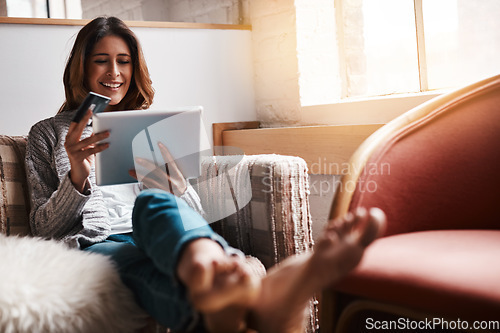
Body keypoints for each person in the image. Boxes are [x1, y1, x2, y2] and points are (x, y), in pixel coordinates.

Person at [24, 16, 386, 333]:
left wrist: (176, 187)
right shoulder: (48, 134)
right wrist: (77, 177)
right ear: (81, 67)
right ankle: (244, 302)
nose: (115, 73)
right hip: (100, 243)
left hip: (163, 232)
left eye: (124, 61)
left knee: (153, 201)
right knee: (139, 274)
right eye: (101, 61)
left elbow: (192, 215)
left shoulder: (154, 126)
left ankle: (207, 263)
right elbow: (44, 229)